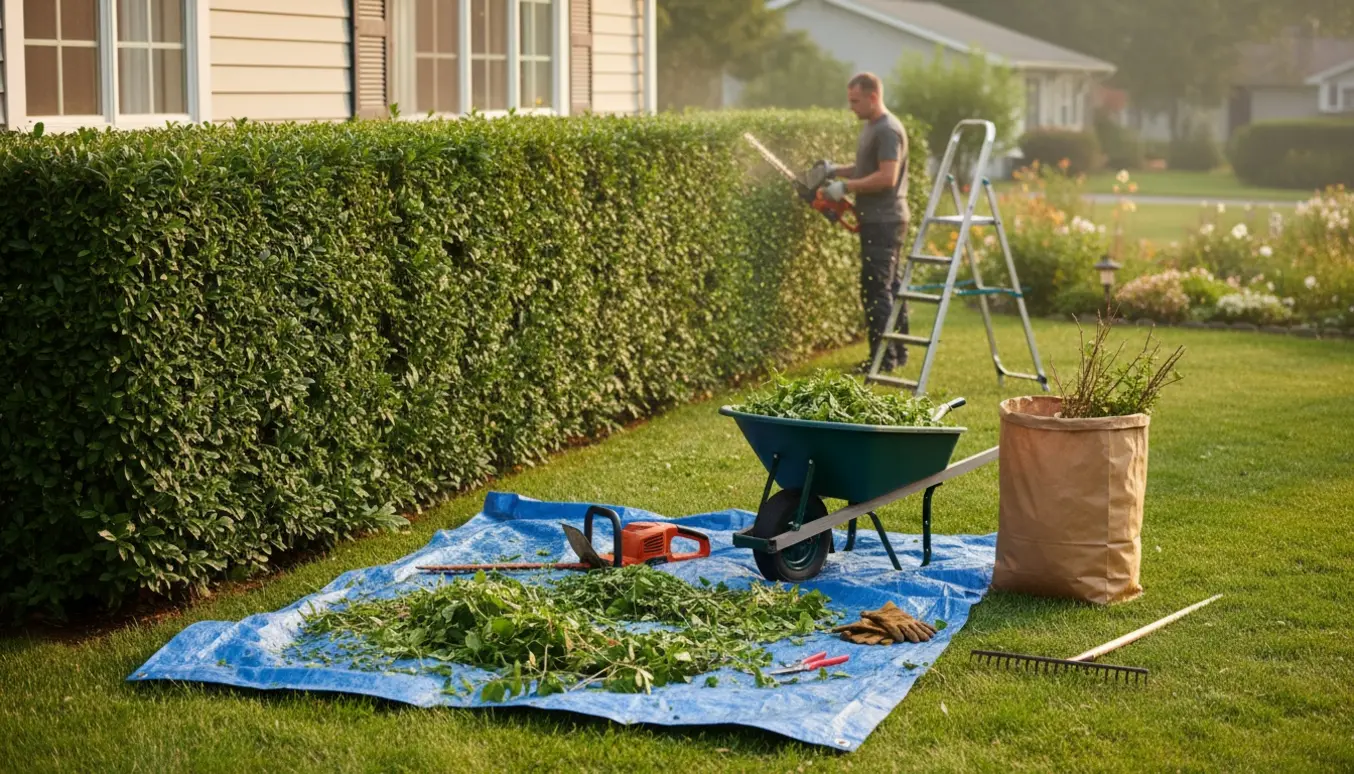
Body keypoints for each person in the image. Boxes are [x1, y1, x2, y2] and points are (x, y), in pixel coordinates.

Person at [821, 72, 910, 373]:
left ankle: (882, 359)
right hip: (880, 218)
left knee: (876, 289)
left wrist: (847, 188)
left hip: (884, 220)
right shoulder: (872, 126)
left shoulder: (887, 130)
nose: (851, 107)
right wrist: (837, 171)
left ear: (873, 97)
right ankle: (897, 354)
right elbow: (865, 168)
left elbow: (887, 177)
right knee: (890, 287)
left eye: (856, 101)